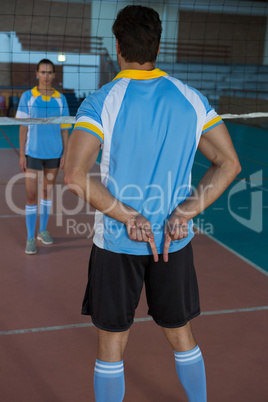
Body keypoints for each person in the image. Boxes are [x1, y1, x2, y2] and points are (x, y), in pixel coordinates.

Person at [64, 5, 241, 402]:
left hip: (117, 241)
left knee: (111, 346)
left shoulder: (102, 101)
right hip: (172, 241)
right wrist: (186, 211)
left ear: (117, 45)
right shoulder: (191, 99)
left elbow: (74, 175)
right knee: (182, 336)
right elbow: (229, 163)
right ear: (158, 45)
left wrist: (129, 216)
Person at [16, 58, 72, 254]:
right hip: (32, 153)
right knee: (31, 195)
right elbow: (23, 127)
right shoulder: (27, 97)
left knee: (47, 192)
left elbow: (65, 129)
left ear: (54, 75)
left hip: (54, 154)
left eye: (50, 72)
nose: (46, 76)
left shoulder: (60, 99)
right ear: (37, 73)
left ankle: (43, 231)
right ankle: (30, 237)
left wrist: (65, 153)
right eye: (43, 72)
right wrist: (22, 154)